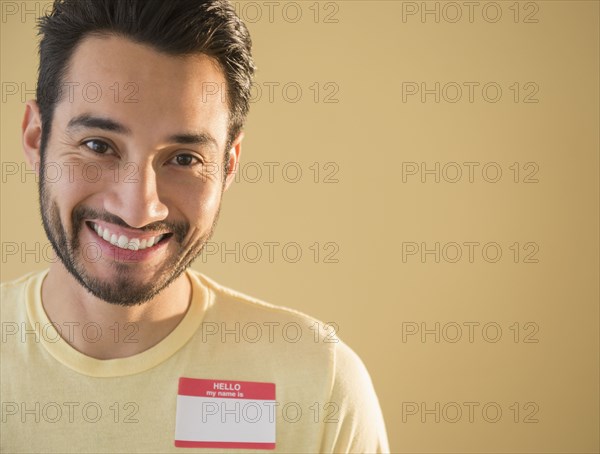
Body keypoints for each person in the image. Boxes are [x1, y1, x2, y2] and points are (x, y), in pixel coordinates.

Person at [1, 0, 389, 452]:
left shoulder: (319, 384)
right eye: (97, 145)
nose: (139, 208)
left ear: (228, 165)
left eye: (184, 159)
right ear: (35, 137)